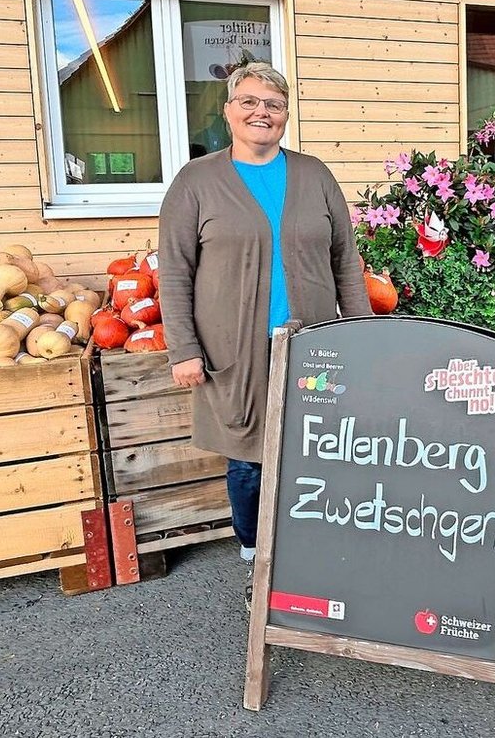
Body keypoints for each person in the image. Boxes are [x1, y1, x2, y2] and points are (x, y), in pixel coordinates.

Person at [158, 62, 372, 608]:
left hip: (315, 344)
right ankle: (258, 556)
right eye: (250, 102)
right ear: (229, 111)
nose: (262, 112)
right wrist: (184, 348)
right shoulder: (197, 181)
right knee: (250, 458)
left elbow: (346, 259)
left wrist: (366, 332)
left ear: (285, 115)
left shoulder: (314, 174)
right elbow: (175, 271)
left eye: (273, 105)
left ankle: (314, 552)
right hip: (236, 349)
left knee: (319, 450)